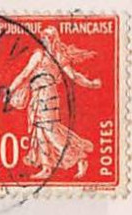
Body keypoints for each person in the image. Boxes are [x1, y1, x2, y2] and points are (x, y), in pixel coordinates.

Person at [6, 26, 101, 180]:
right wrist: (10, 90)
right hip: (36, 96)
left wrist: (91, 84)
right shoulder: (39, 55)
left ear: (53, 39)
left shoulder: (59, 57)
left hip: (48, 95)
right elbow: (24, 74)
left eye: (47, 37)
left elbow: (73, 76)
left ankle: (78, 157)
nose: (44, 40)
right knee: (40, 132)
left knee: (50, 130)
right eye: (43, 37)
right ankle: (46, 167)